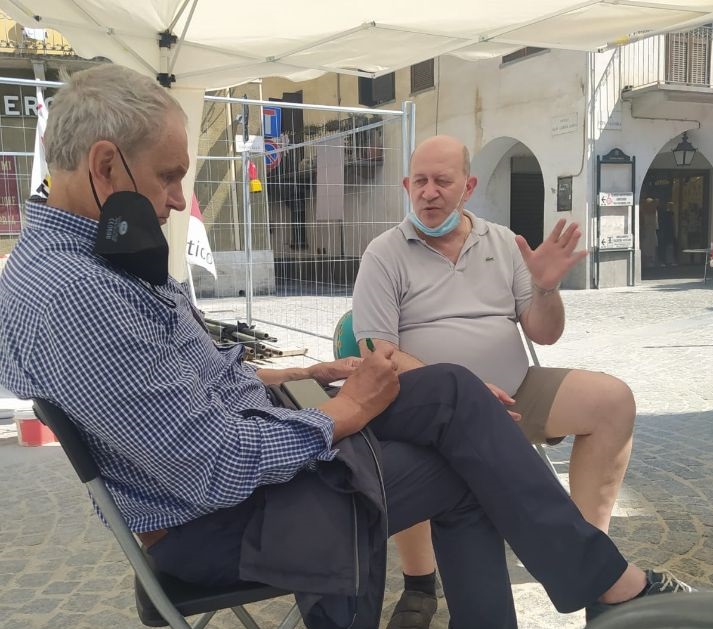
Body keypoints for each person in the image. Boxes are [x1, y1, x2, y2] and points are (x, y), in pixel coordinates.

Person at [0, 66, 693, 629]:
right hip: (220, 519)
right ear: (104, 165)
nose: (179, 200)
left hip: (247, 456)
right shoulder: (77, 294)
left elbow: (183, 386)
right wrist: (341, 412)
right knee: (466, 463)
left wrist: (307, 372)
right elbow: (212, 466)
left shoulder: (97, 258)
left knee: (454, 393)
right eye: (168, 176)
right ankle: (606, 584)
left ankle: (602, 581)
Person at [351, 135, 638, 627]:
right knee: (425, 447)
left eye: (443, 181)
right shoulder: (384, 253)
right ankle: (420, 582)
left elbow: (545, 333)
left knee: (613, 401)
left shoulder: (503, 242)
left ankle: (593, 559)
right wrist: (458, 391)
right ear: (406, 185)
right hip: (428, 405)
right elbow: (379, 352)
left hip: (516, 391)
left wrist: (545, 288)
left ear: (469, 186)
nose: (429, 192)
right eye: (420, 181)